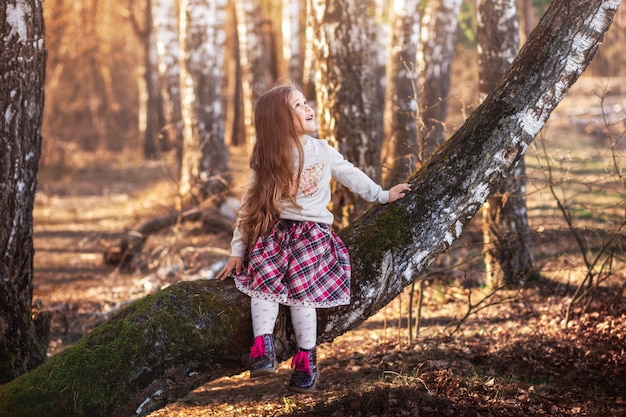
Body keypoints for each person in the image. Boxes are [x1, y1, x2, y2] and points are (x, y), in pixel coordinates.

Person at [216, 83, 411, 393]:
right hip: (275, 233)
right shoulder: (266, 157)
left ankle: (306, 358)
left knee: (302, 293)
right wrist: (237, 251)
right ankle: (262, 347)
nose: (309, 109)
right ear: (279, 120)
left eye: (306, 103)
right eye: (298, 105)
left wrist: (383, 195)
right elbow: (249, 206)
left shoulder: (322, 150)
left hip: (312, 235)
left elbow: (350, 173)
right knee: (262, 281)